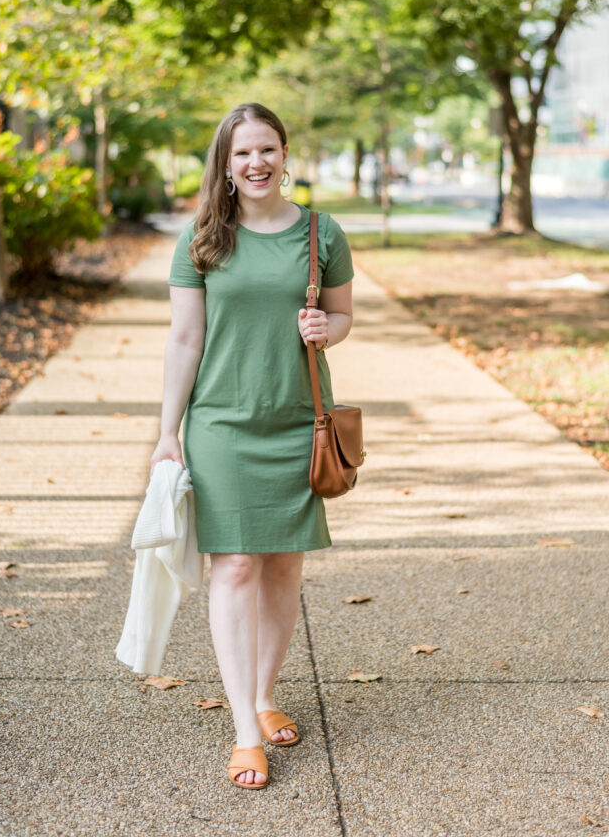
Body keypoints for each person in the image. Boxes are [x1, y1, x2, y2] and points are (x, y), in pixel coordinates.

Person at [150, 103, 354, 790]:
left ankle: (266, 696)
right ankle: (244, 728)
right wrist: (166, 433)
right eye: (242, 153)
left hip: (298, 420)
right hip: (223, 427)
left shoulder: (323, 234)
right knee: (234, 565)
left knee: (283, 567)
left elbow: (346, 315)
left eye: (267, 149)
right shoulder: (204, 238)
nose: (256, 162)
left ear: (285, 153)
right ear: (226, 163)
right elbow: (184, 340)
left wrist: (330, 326)